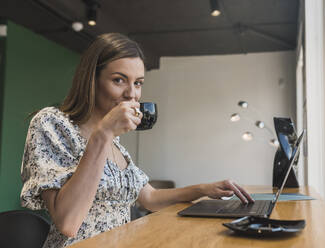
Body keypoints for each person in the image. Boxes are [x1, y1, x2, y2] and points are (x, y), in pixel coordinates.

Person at [20, 33, 254, 248]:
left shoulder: (116, 143)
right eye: (119, 80)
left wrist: (203, 189)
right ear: (91, 79)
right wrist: (103, 135)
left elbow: (150, 198)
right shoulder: (52, 124)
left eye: (138, 83)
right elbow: (68, 223)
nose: (132, 94)